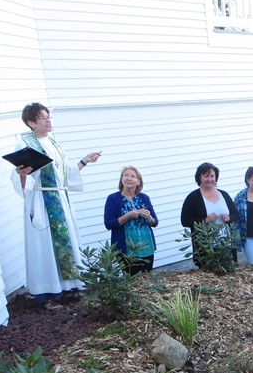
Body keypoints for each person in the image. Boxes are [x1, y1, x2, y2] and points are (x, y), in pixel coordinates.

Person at [11, 102, 101, 305]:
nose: (48, 120)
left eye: (48, 116)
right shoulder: (25, 145)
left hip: (59, 199)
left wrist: (84, 161)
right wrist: (22, 174)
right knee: (45, 246)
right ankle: (48, 292)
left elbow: (65, 175)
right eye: (42, 118)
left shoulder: (54, 144)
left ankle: (69, 286)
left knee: (66, 240)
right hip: (43, 201)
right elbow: (19, 178)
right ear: (31, 122)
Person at [180, 162, 239, 267]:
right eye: (206, 176)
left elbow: (236, 215)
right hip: (205, 247)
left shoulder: (224, 195)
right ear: (200, 178)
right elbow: (185, 221)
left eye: (212, 176)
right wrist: (205, 220)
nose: (209, 179)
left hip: (226, 245)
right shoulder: (193, 198)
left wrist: (229, 218)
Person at [103, 166, 159, 275]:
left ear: (138, 182)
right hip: (125, 249)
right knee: (131, 280)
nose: (129, 178)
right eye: (126, 175)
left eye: (133, 176)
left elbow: (155, 222)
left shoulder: (144, 198)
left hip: (146, 246)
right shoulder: (113, 199)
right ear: (121, 179)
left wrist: (149, 217)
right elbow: (108, 224)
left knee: (146, 278)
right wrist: (128, 215)